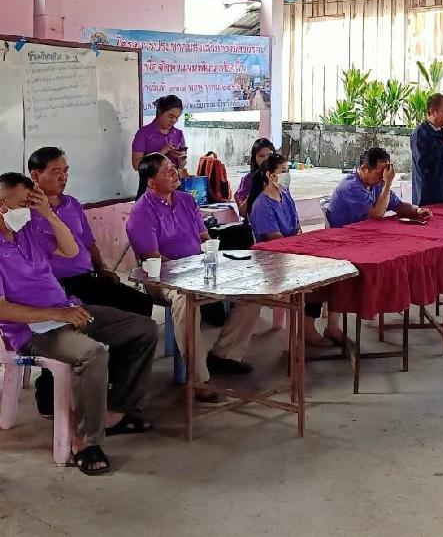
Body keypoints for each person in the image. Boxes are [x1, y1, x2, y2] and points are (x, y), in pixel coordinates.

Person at [0, 173, 158, 476]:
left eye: (30, 205)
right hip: (31, 330)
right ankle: (85, 441)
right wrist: (56, 314)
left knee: (144, 329)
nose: (26, 212)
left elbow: (71, 250)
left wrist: (47, 213)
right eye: (21, 205)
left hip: (67, 310)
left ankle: (117, 411)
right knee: (93, 354)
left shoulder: (27, 231)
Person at [25, 146, 153, 416]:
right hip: (54, 286)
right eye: (55, 172)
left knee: (139, 303)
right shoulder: (26, 213)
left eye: (65, 171)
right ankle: (48, 389)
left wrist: (102, 268)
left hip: (85, 278)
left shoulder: (71, 204)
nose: (63, 177)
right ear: (36, 175)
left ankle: (115, 378)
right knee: (66, 326)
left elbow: (88, 241)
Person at [127, 153, 261, 403]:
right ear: (151, 182)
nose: (174, 171)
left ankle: (225, 354)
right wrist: (188, 271)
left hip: (200, 268)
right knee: (184, 301)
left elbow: (204, 237)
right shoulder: (141, 212)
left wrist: (211, 255)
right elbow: (153, 259)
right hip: (164, 278)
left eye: (172, 167)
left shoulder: (186, 200)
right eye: (166, 170)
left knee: (253, 289)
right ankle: (198, 378)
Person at [247, 153, 344, 347]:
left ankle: (331, 326)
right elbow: (277, 240)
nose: (287, 175)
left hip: (293, 253)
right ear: (270, 175)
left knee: (335, 268)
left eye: (287, 170)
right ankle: (307, 329)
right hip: (273, 260)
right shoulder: (262, 205)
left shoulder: (285, 196)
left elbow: (297, 228)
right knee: (318, 276)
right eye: (283, 171)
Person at [325, 147, 431, 228]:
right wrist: (388, 183)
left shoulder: (378, 184)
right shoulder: (350, 186)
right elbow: (376, 214)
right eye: (380, 173)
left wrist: (417, 211)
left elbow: (398, 205)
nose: (383, 177)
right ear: (364, 169)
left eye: (386, 172)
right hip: (341, 235)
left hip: (364, 231)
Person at [131, 95, 188, 176]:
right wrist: (161, 153)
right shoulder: (144, 133)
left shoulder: (178, 134)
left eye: (177, 117)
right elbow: (136, 165)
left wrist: (181, 160)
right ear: (160, 112)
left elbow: (181, 166)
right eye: (171, 116)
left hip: (173, 181)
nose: (174, 120)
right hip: (151, 182)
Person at [234, 137, 276, 216]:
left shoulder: (279, 177)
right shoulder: (248, 180)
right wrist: (255, 192)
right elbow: (242, 212)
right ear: (254, 158)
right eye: (261, 156)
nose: (266, 159)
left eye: (270, 155)